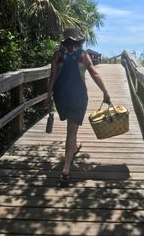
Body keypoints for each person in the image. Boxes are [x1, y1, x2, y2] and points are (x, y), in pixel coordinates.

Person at [45, 28, 111, 183]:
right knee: (71, 131)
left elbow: (52, 76)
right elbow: (94, 73)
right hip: (77, 96)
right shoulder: (82, 55)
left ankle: (74, 147)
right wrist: (105, 93)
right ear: (78, 41)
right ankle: (66, 168)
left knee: (71, 126)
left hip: (60, 96)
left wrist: (48, 96)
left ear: (65, 41)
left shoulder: (58, 56)